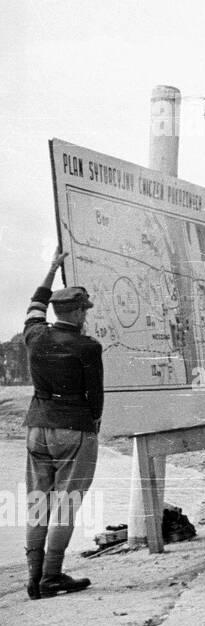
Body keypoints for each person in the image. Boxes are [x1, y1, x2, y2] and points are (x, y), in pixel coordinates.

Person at [22, 249, 102, 599]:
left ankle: (33, 578)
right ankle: (52, 575)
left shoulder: (34, 335)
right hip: (74, 428)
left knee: (38, 502)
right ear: (79, 312)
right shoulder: (88, 347)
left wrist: (52, 269)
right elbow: (95, 397)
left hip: (37, 427)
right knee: (67, 505)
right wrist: (93, 425)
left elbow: (35, 303)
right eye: (85, 309)